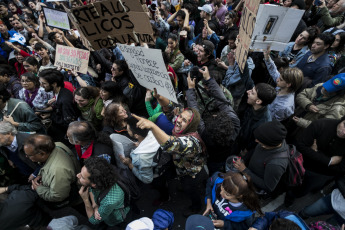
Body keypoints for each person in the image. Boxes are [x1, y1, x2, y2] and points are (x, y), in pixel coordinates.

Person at [132, 107, 208, 216]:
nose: (179, 120)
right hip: (180, 169)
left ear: (190, 126)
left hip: (191, 174)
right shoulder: (180, 129)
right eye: (180, 116)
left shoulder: (192, 143)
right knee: (182, 184)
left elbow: (171, 145)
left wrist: (152, 126)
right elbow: (169, 108)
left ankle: (196, 207)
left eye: (184, 120)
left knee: (190, 189)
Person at [234, 121, 289, 194]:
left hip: (251, 187)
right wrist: (244, 159)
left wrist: (245, 170)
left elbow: (268, 187)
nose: (256, 140)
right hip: (247, 173)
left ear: (269, 144)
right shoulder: (274, 140)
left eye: (260, 140)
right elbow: (256, 150)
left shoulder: (276, 165)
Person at [24, 134, 80, 204]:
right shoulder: (57, 145)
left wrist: (38, 188)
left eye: (29, 155)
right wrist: (40, 175)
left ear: (42, 154)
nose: (26, 157)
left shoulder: (57, 171)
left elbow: (58, 196)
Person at [77, 157, 130, 228]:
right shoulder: (103, 176)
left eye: (82, 177)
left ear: (94, 184)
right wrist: (95, 205)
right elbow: (91, 188)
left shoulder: (109, 201)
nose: (78, 175)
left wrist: (86, 199)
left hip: (114, 218)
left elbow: (93, 220)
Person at [233, 83, 277, 154]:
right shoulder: (251, 104)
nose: (248, 92)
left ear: (258, 101)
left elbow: (254, 142)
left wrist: (245, 150)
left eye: (252, 93)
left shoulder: (263, 123)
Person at [39, 69, 79, 144]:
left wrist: (51, 115)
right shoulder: (58, 92)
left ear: (54, 84)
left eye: (44, 83)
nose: (41, 85)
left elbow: (68, 122)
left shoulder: (65, 100)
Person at [263, 49, 304, 121]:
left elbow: (271, 121)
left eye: (280, 79)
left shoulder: (284, 106)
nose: (277, 79)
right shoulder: (283, 85)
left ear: (288, 84)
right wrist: (267, 58)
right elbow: (273, 71)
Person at [120, 116, 160, 184]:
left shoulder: (140, 158)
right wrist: (140, 144)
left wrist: (130, 165)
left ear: (136, 136)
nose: (127, 130)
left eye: (128, 130)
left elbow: (147, 180)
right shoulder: (155, 131)